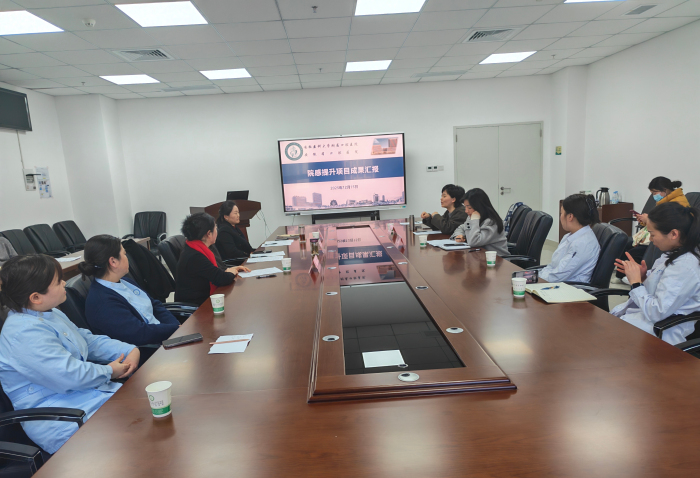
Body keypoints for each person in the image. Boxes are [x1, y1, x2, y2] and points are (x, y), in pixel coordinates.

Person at [0, 255, 139, 454]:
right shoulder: (22, 333)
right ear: (36, 297)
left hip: (87, 398)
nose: (64, 282)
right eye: (58, 282)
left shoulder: (49, 313)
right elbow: (70, 375)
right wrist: (109, 371)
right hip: (63, 419)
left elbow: (85, 340)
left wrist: (127, 350)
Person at [612, 203, 700, 345]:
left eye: (652, 234)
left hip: (658, 335)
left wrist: (636, 284)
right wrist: (644, 277)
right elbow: (661, 288)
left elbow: (657, 312)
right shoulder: (672, 254)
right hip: (642, 323)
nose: (651, 240)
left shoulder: (684, 266)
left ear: (673, 234)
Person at [82, 235, 181, 350]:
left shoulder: (125, 281)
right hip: (150, 350)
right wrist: (174, 329)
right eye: (124, 254)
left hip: (165, 336)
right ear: (113, 261)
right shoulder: (102, 302)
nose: (127, 257)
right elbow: (140, 334)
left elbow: (154, 305)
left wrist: (175, 326)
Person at [614, 177, 689, 281]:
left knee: (633, 253)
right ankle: (624, 275)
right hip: (657, 235)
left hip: (663, 237)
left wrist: (648, 219)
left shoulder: (678, 203)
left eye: (655, 192)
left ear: (665, 190)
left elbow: (666, 224)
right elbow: (659, 223)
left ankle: (624, 276)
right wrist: (644, 220)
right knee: (625, 245)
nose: (654, 196)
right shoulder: (664, 201)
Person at [175, 213, 250, 306]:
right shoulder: (195, 256)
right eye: (215, 227)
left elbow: (214, 272)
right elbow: (221, 279)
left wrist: (231, 269)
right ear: (209, 234)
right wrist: (232, 272)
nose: (217, 230)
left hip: (203, 299)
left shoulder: (195, 247)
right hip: (197, 306)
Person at [539, 194, 600, 283]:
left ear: (570, 217)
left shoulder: (582, 244)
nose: (560, 217)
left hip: (568, 288)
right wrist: (537, 275)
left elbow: (557, 276)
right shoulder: (569, 236)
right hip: (556, 282)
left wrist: (536, 277)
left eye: (561, 214)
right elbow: (553, 266)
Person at [451, 188, 508, 255]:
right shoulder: (473, 217)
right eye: (465, 207)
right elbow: (462, 227)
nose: (466, 211)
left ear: (479, 207)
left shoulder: (492, 222)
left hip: (498, 259)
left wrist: (475, 220)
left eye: (469, 208)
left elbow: (473, 242)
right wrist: (459, 235)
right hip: (480, 256)